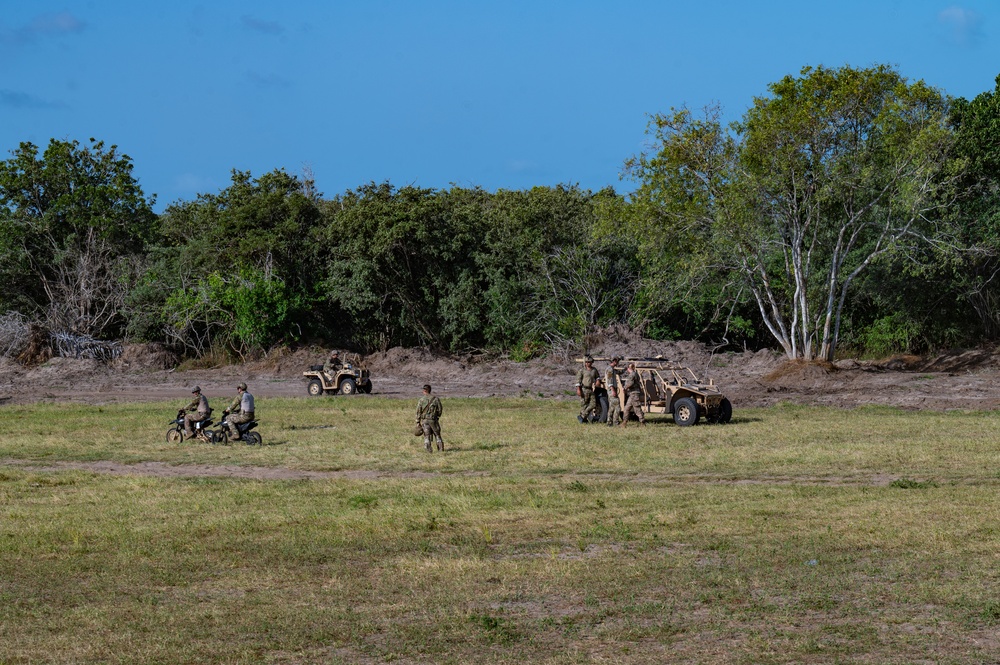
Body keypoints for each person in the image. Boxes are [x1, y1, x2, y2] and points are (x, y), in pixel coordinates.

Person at [415, 384, 444, 452]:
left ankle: (428, 450)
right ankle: (440, 449)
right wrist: (437, 417)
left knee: (426, 435)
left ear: (424, 390)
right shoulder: (436, 399)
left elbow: (418, 411)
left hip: (425, 421)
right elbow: (440, 410)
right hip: (433, 420)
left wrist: (417, 422)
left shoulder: (421, 400)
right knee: (437, 434)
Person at [620, 362, 646, 428]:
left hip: (634, 393)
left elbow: (630, 383)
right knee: (626, 408)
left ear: (629, 368)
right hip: (632, 394)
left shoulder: (632, 374)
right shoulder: (635, 374)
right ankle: (624, 422)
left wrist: (624, 388)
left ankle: (642, 422)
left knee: (637, 408)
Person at [575, 355, 600, 423]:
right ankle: (584, 419)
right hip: (584, 389)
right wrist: (578, 389)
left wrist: (598, 381)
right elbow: (578, 381)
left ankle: (582, 416)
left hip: (591, 389)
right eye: (586, 362)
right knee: (584, 404)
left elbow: (597, 377)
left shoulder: (594, 370)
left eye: (589, 362)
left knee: (593, 404)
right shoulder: (582, 370)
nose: (588, 363)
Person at [604, 356, 624, 427]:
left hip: (612, 390)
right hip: (611, 390)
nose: (618, 363)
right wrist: (613, 390)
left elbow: (619, 372)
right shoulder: (610, 370)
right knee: (617, 406)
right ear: (615, 361)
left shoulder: (612, 369)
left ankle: (609, 422)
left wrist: (625, 369)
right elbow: (610, 381)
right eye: (618, 361)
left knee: (612, 407)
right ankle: (616, 422)